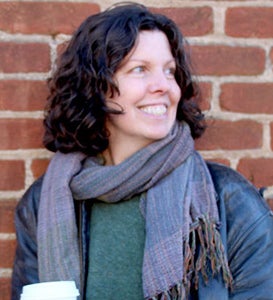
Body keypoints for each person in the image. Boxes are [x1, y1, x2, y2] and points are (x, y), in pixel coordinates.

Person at [11, 3, 273, 300]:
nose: (164, 86)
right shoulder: (44, 203)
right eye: (139, 69)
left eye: (170, 71)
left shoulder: (229, 201)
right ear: (95, 86)